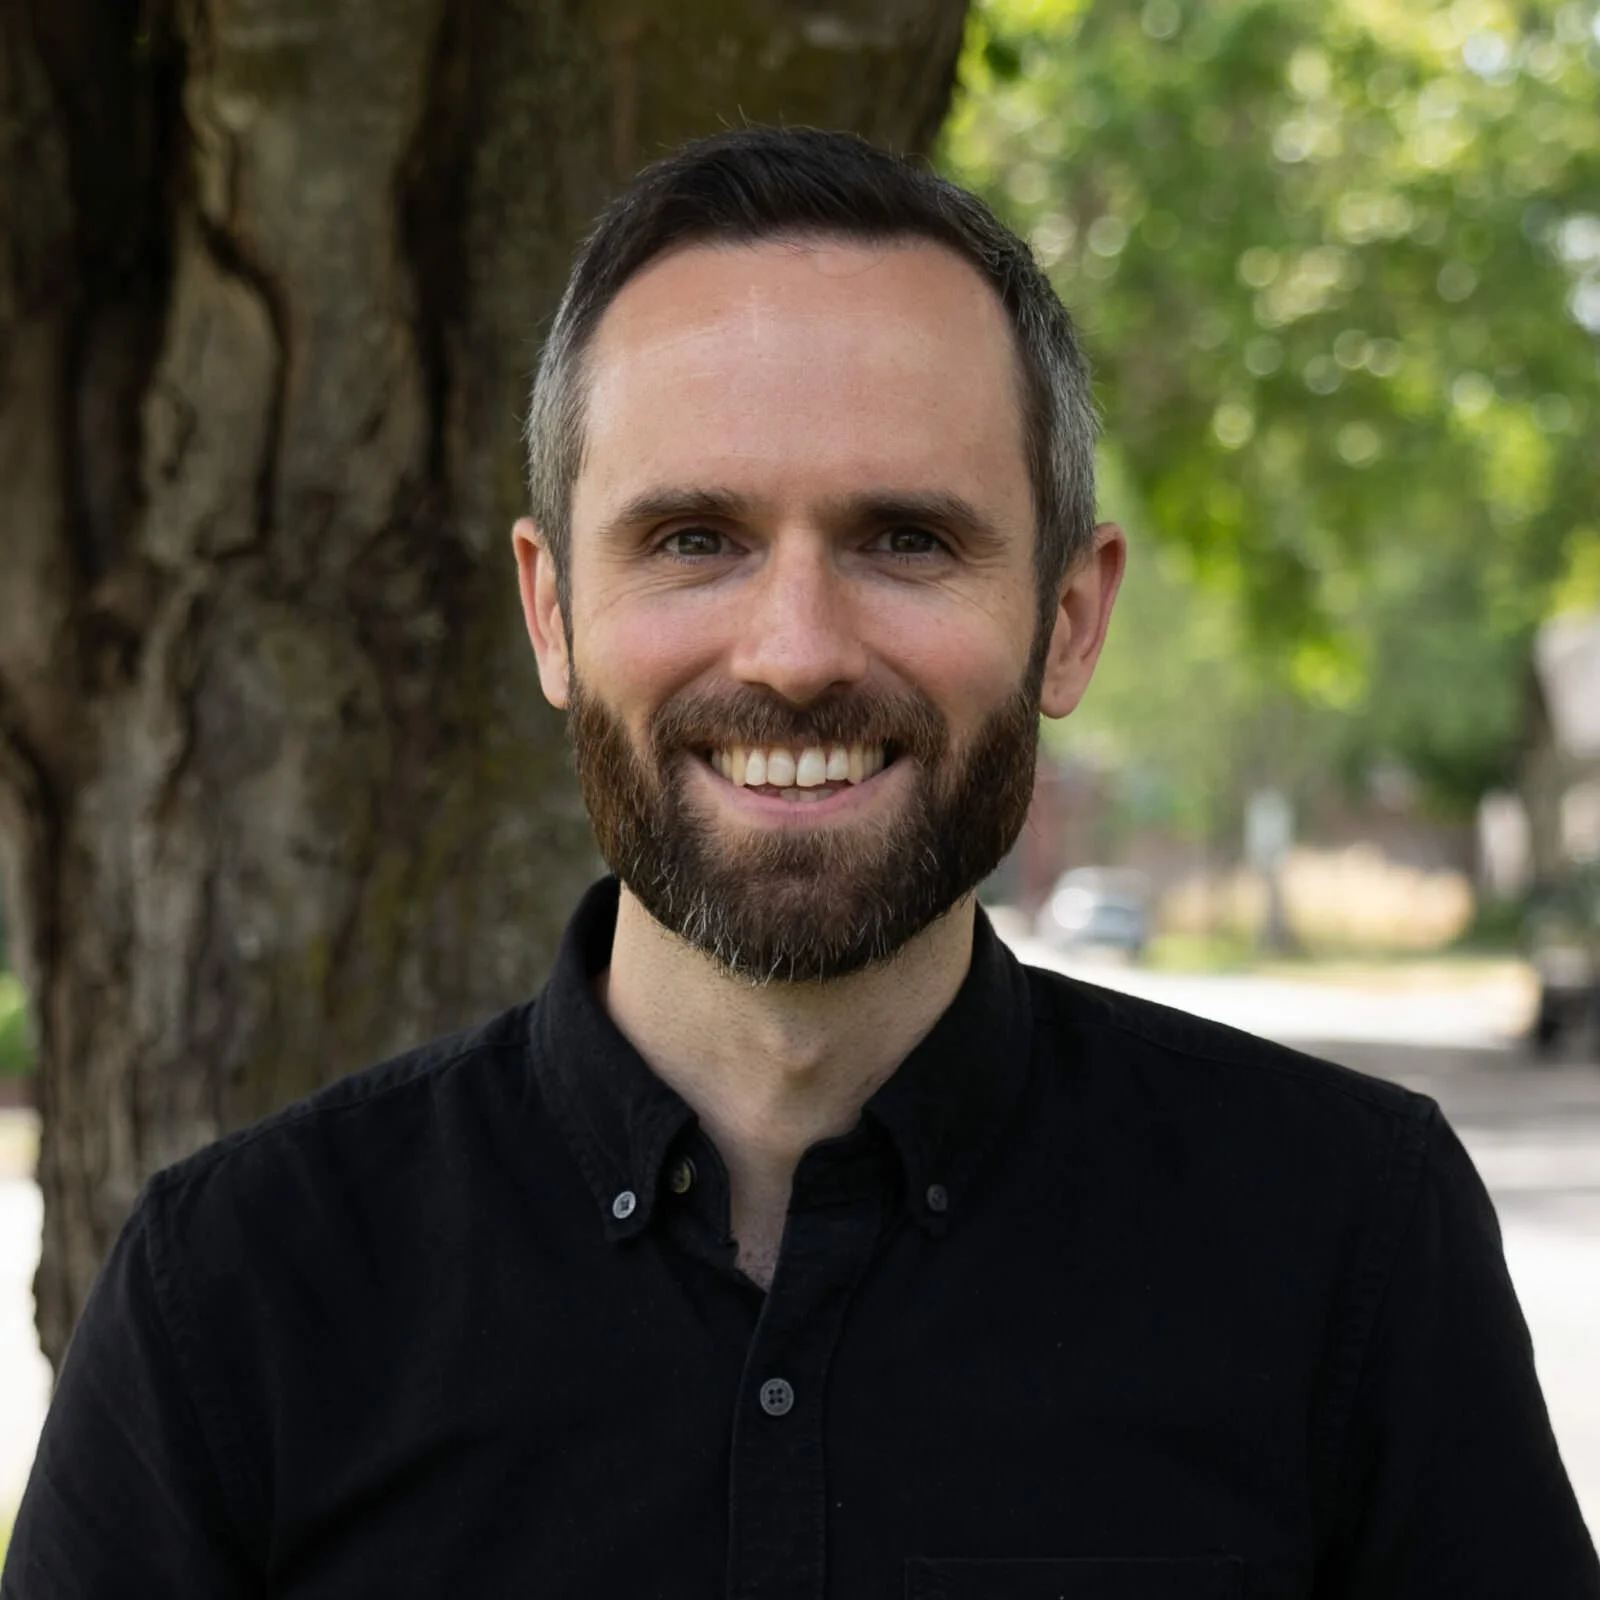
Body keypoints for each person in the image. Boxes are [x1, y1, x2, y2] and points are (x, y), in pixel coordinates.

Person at [4, 127, 1596, 1600]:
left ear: (1069, 616)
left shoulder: (1348, 1248)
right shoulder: (236, 1295)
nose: (795, 652)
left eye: (906, 537)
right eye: (694, 537)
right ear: (551, 611)